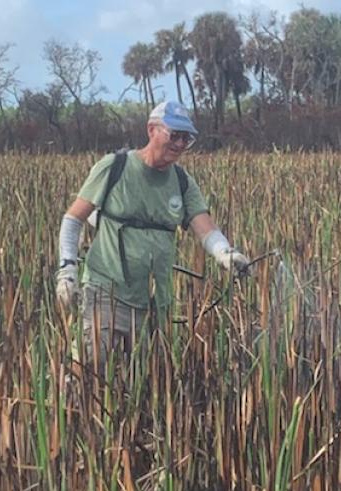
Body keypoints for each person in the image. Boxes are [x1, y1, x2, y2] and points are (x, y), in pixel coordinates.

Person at [55, 101, 249, 370]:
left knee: (148, 382)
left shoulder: (182, 181)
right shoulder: (114, 167)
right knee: (88, 375)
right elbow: (73, 218)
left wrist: (225, 254)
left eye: (187, 138)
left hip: (156, 306)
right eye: (175, 135)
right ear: (152, 130)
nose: (180, 144)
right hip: (106, 295)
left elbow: (204, 226)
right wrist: (67, 269)